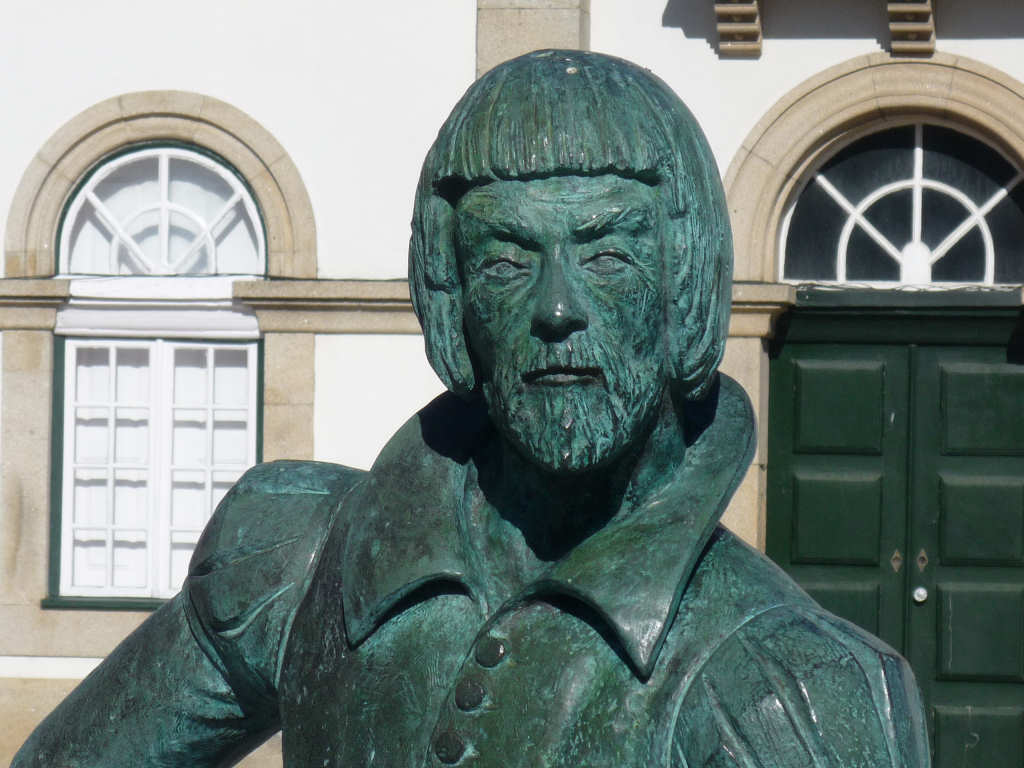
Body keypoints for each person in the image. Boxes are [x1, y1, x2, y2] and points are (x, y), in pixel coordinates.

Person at [14, 50, 929, 767]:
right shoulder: (297, 562)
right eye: (505, 260)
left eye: (607, 255)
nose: (557, 307)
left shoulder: (791, 688)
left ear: (683, 289)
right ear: (453, 301)